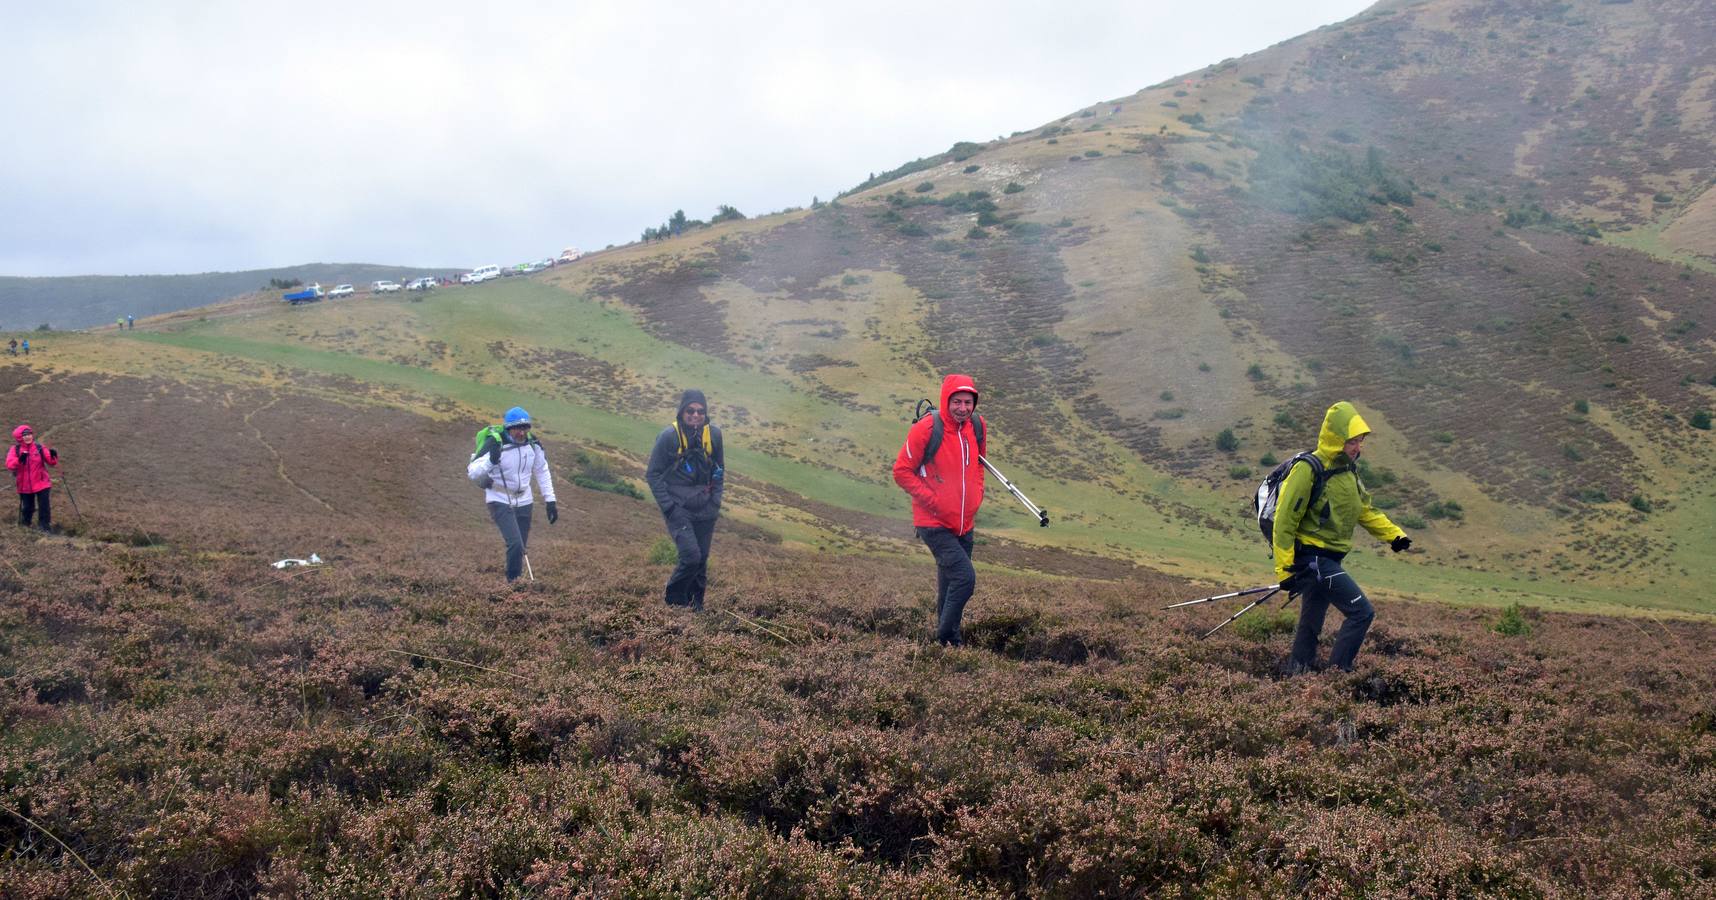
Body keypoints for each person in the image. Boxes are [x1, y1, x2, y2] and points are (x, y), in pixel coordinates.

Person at [1273, 401, 1411, 673]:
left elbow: (1364, 511)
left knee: (1311, 622)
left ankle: (1296, 676)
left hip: (1330, 559)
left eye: (1360, 441)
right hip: (1313, 559)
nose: (1357, 448)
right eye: (1352, 442)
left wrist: (1394, 535)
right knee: (1362, 613)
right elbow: (1284, 521)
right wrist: (1284, 569)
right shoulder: (1308, 469)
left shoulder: (1348, 471)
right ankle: (1337, 677)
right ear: (1336, 439)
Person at [892, 374, 987, 646]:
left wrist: (977, 495)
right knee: (965, 578)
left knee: (949, 582)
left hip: (964, 522)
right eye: (956, 401)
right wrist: (933, 500)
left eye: (968, 402)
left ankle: (944, 644)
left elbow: (980, 464)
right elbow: (901, 472)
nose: (963, 408)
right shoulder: (926, 429)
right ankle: (948, 637)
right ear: (946, 401)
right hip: (932, 522)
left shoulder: (977, 426)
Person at [645, 390, 724, 610]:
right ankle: (674, 600)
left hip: (706, 507)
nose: (695, 415)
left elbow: (720, 470)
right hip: (678, 507)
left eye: (700, 411)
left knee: (701, 561)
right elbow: (652, 474)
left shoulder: (714, 435)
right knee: (690, 556)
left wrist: (716, 501)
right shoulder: (668, 436)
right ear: (682, 411)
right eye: (690, 410)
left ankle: (696, 605)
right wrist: (669, 508)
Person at [465, 407, 557, 584]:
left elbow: (542, 470)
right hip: (498, 498)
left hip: (525, 499)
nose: (521, 433)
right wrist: (491, 460)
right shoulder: (495, 443)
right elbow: (473, 472)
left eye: (525, 428)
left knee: (521, 546)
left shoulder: (533, 444)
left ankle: (515, 584)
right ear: (508, 428)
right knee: (515, 544)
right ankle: (513, 586)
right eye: (517, 428)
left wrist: (550, 500)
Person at [7, 424, 58, 532]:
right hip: (24, 485)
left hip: (42, 482)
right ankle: (25, 528)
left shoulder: (39, 448)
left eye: (29, 434)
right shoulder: (15, 450)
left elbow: (51, 462)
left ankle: (44, 529)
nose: (28, 436)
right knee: (28, 508)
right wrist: (20, 460)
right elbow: (10, 465)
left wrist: (53, 456)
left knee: (44, 507)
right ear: (20, 437)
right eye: (25, 435)